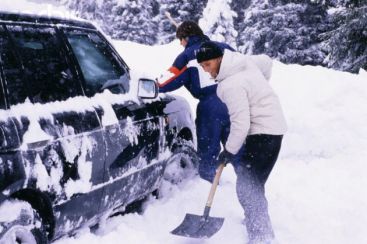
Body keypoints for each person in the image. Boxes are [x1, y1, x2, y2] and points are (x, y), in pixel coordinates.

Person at [196, 41, 287, 244]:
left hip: (263, 133)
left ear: (219, 59)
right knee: (252, 183)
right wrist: (260, 91)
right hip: (273, 127)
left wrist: (228, 151)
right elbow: (266, 62)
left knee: (247, 186)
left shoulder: (231, 85)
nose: (206, 69)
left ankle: (261, 236)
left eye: (208, 64)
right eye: (202, 66)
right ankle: (257, 223)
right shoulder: (242, 62)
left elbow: (241, 123)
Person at [157, 21, 235, 182]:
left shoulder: (187, 56)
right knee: (238, 146)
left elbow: (168, 81)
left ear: (186, 37)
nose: (180, 44)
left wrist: (153, 86)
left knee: (208, 149)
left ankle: (208, 184)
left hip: (210, 107)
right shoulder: (224, 48)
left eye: (181, 40)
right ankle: (250, 183)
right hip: (235, 102)